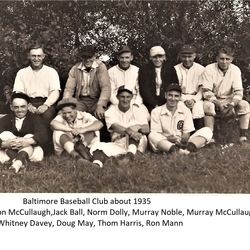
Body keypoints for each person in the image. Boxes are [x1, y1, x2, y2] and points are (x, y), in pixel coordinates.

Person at [63, 45, 111, 141]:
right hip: (80, 100)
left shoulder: (100, 67)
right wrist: (65, 105)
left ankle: (100, 141)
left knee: (102, 115)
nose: (88, 60)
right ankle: (74, 140)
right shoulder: (75, 69)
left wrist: (101, 105)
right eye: (85, 57)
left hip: (96, 100)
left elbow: (105, 87)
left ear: (94, 56)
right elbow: (69, 89)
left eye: (90, 57)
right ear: (81, 58)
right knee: (70, 114)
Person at [202, 47, 250, 142]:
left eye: (227, 59)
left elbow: (239, 92)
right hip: (214, 99)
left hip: (229, 99)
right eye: (222, 58)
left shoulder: (235, 70)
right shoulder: (209, 69)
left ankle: (243, 136)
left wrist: (231, 104)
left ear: (231, 59)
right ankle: (210, 138)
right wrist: (218, 104)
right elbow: (206, 91)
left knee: (245, 105)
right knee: (207, 106)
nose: (224, 62)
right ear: (217, 58)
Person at [148, 83, 213, 154]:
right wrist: (172, 139)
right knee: (152, 135)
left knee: (207, 130)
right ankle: (178, 151)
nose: (173, 99)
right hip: (165, 142)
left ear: (180, 97)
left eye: (176, 96)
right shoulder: (156, 111)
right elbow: (157, 134)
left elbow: (186, 133)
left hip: (181, 142)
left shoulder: (185, 110)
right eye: (170, 95)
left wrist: (183, 140)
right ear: (165, 95)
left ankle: (188, 149)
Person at [13, 44, 61, 138]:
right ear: (29, 56)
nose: (36, 59)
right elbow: (18, 92)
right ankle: (27, 142)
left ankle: (45, 145)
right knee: (25, 114)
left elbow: (55, 91)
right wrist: (27, 104)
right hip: (28, 101)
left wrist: (46, 105)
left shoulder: (51, 72)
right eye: (33, 56)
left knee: (47, 115)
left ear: (43, 56)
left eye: (39, 56)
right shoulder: (22, 73)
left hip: (46, 102)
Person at [93, 85, 149, 164]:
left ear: (132, 97)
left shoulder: (137, 110)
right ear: (117, 97)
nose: (125, 100)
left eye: (128, 97)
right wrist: (130, 131)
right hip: (118, 143)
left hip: (137, 143)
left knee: (134, 124)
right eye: (122, 97)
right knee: (97, 146)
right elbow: (116, 127)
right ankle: (96, 165)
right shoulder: (110, 111)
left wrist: (137, 127)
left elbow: (147, 129)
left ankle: (129, 157)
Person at [50, 98, 106, 168]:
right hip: (68, 149)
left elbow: (99, 124)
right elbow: (53, 123)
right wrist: (72, 130)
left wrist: (82, 130)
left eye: (69, 112)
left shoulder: (84, 115)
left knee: (93, 127)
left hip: (85, 145)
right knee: (58, 131)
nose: (67, 116)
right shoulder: (60, 117)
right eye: (64, 113)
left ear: (76, 110)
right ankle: (77, 156)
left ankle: (95, 165)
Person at [0, 93, 48, 173]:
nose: (20, 110)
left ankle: (15, 163)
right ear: (11, 107)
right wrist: (4, 144)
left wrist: (28, 141)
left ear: (28, 106)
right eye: (16, 107)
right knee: (5, 134)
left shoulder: (35, 118)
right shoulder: (5, 119)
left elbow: (43, 135)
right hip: (9, 148)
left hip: (31, 150)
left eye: (23, 107)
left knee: (30, 136)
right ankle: (19, 164)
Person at [108, 45, 149, 119]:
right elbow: (110, 92)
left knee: (146, 117)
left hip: (134, 101)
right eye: (122, 57)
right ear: (118, 58)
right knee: (110, 117)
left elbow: (141, 91)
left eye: (127, 57)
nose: (124, 60)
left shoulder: (137, 70)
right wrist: (118, 104)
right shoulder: (111, 71)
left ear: (131, 58)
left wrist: (136, 104)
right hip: (118, 102)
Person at [138, 45, 179, 113]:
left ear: (164, 57)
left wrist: (167, 102)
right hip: (149, 102)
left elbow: (174, 86)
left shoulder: (170, 69)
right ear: (150, 58)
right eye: (154, 57)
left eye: (160, 57)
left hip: (167, 101)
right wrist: (154, 104)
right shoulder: (144, 69)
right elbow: (144, 90)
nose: (157, 60)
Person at [174, 44, 205, 130]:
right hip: (180, 97)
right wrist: (184, 99)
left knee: (198, 108)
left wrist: (193, 100)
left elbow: (201, 90)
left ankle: (199, 135)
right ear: (180, 56)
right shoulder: (175, 69)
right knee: (180, 108)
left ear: (194, 56)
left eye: (190, 56)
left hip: (196, 97)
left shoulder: (201, 69)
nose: (187, 59)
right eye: (184, 56)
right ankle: (182, 134)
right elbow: (174, 89)